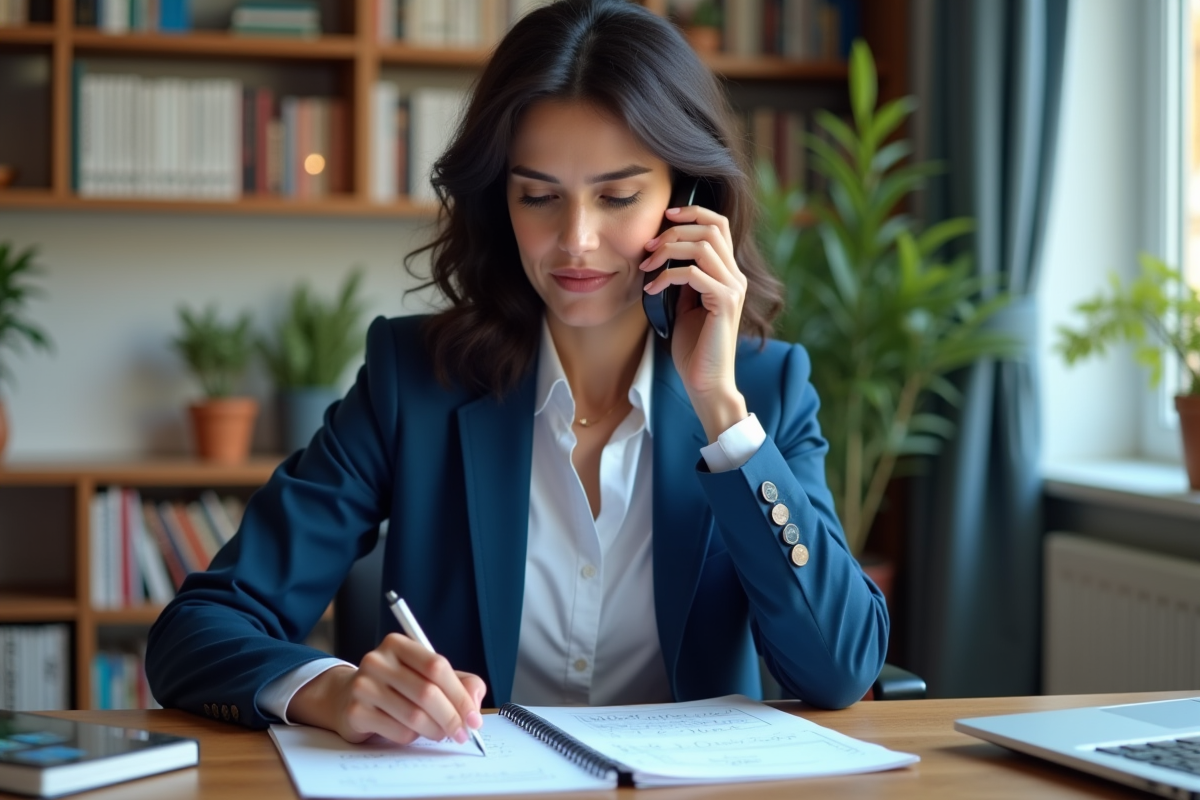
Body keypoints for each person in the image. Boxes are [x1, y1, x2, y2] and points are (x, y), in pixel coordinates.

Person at [145, 0, 889, 749]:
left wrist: (721, 413)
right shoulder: (414, 381)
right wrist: (331, 690)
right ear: (500, 199)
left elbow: (840, 668)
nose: (575, 240)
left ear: (688, 202)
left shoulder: (763, 391)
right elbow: (197, 629)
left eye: (618, 196)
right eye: (538, 196)